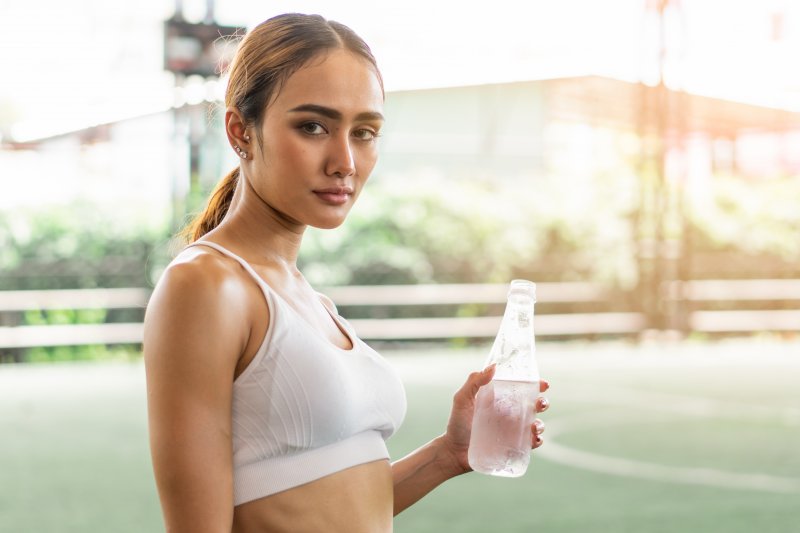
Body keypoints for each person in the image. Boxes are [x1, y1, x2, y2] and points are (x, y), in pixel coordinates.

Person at [143, 12, 550, 533]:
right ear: (240, 130)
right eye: (313, 126)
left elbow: (337, 501)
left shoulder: (308, 300)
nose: (344, 161)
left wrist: (449, 454)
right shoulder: (206, 285)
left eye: (364, 132)